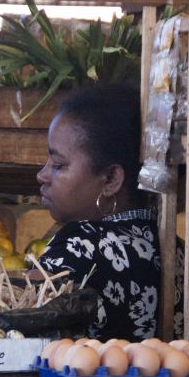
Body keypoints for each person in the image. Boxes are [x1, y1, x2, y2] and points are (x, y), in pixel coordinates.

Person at [36, 84, 160, 340]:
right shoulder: (173, 249)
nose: (42, 175)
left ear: (111, 179)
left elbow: (17, 323)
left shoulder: (78, 245)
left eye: (58, 165)